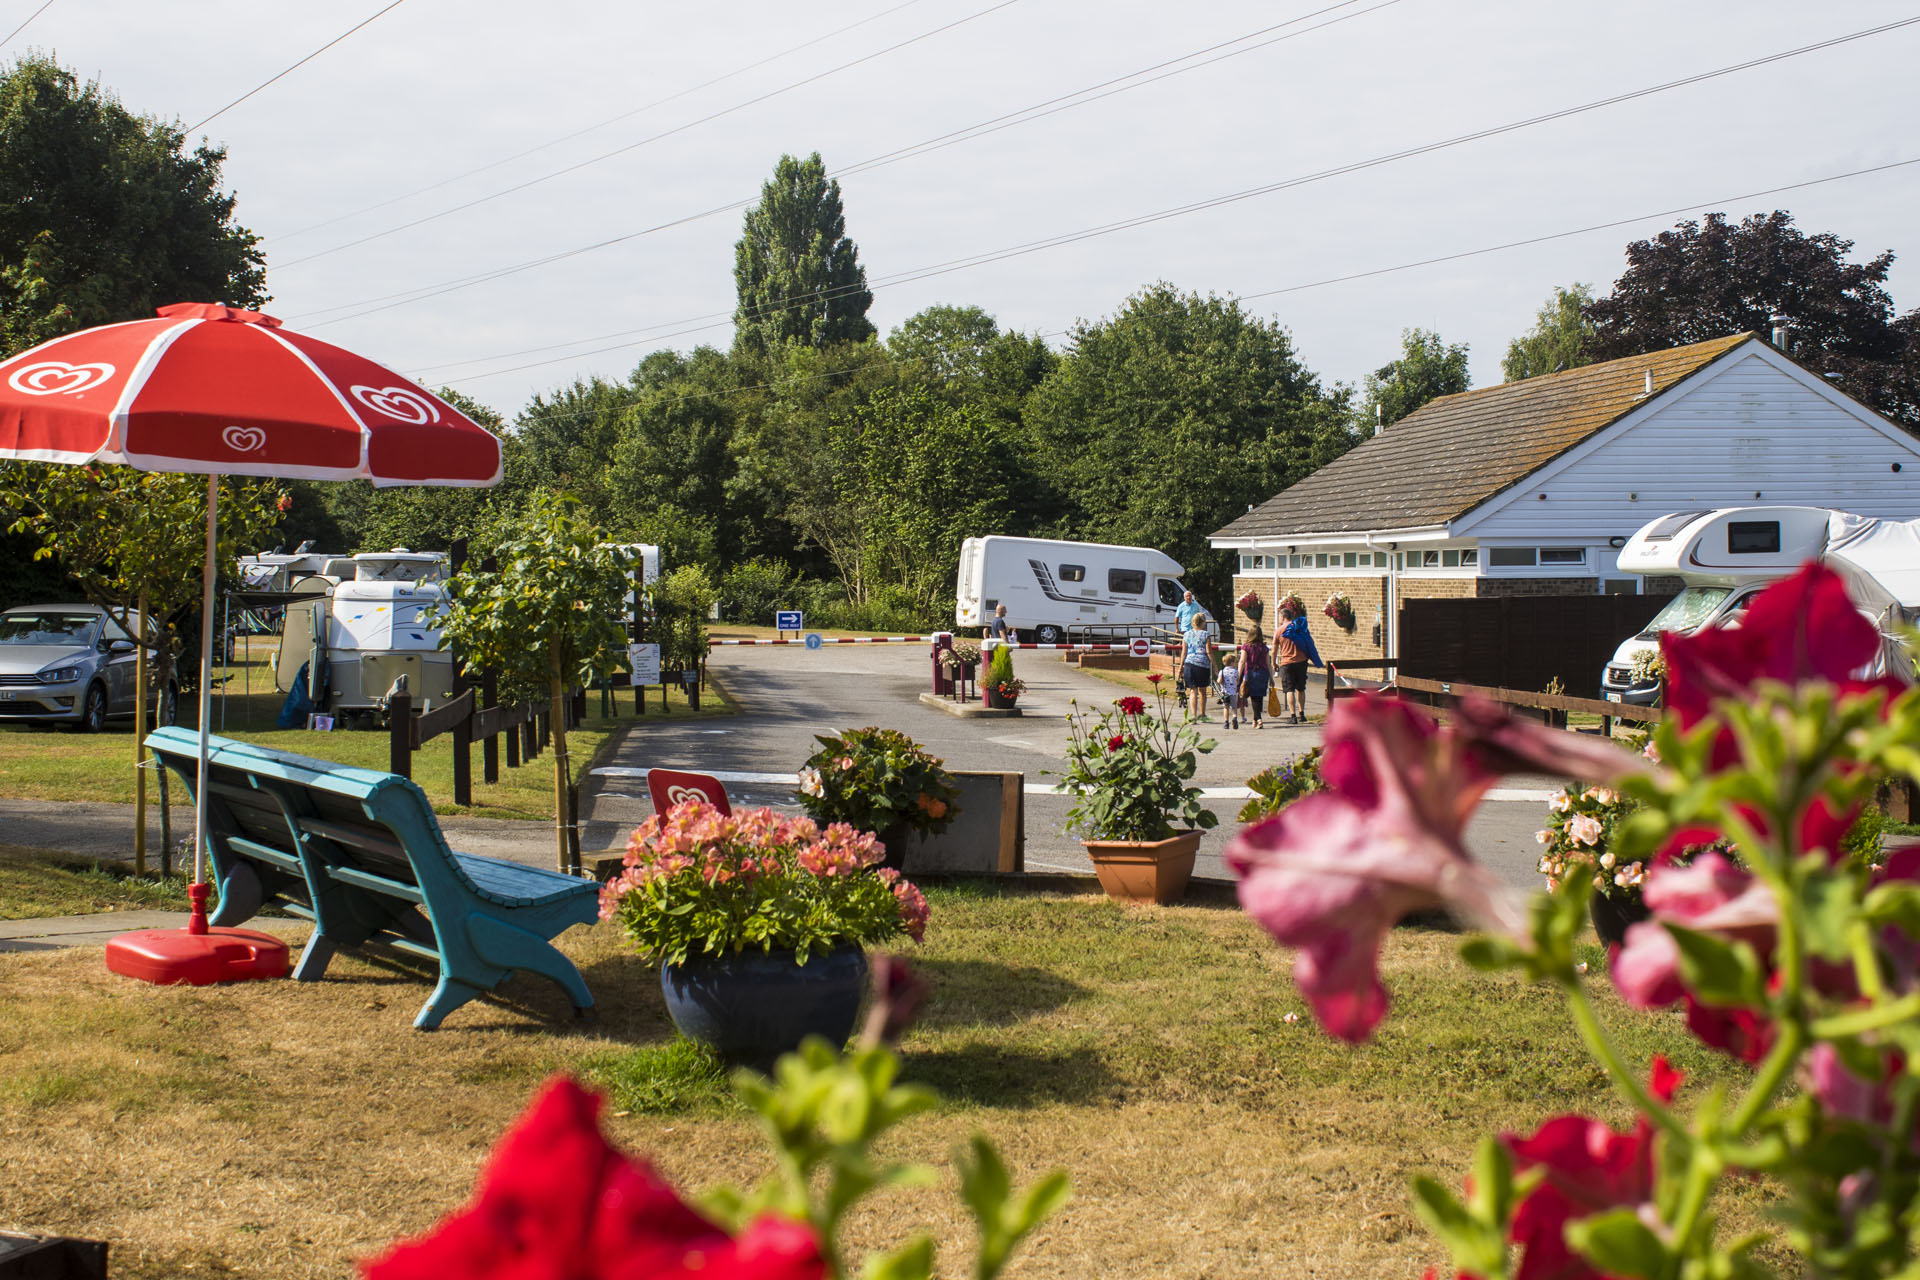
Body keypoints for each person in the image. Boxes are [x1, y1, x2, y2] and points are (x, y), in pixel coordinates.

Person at [1276, 604, 1323, 725]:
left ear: (1282, 617)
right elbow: (1310, 642)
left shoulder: (1279, 631)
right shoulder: (1300, 628)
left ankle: (1293, 716)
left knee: (1289, 689)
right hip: (1301, 662)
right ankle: (1302, 714)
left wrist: (1274, 663)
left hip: (1286, 663)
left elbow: (1274, 650)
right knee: (1301, 689)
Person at [1237, 624, 1272, 729]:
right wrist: (1272, 677)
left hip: (1251, 673)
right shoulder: (1264, 648)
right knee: (1259, 697)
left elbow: (1242, 661)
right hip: (1263, 673)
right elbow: (1268, 663)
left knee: (1253, 697)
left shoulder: (1246, 647)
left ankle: (1259, 719)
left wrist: (1239, 675)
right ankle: (1255, 719)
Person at [1182, 612, 1214, 720]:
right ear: (1203, 622)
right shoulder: (1206, 635)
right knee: (1202, 691)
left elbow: (1184, 652)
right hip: (1202, 664)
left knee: (1193, 691)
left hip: (1189, 664)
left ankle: (1193, 715)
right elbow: (1209, 651)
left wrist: (1181, 666)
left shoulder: (1186, 635)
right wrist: (1214, 666)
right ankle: (1202, 713)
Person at [1217, 651, 1242, 729]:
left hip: (1225, 693)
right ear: (1232, 663)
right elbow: (1238, 681)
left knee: (1226, 708)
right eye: (1235, 662)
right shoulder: (1236, 672)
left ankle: (1226, 722)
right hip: (1233, 693)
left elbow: (1219, 681)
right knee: (1234, 708)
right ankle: (1234, 718)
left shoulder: (1222, 671)